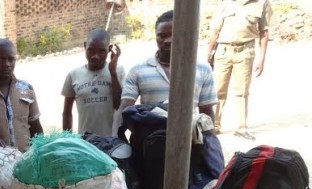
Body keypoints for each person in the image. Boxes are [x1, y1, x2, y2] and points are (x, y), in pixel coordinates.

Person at [113, 10, 218, 135]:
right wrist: (116, 140)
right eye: (162, 35)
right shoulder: (138, 70)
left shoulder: (202, 69)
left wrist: (209, 142)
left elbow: (206, 111)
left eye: (174, 35)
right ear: (156, 36)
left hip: (188, 142)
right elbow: (124, 107)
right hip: (148, 141)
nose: (168, 40)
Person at [207, 0, 273, 141]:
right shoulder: (225, 3)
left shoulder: (261, 3)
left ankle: (241, 128)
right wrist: (208, 55)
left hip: (245, 52)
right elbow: (214, 32)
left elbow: (264, 33)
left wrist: (261, 60)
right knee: (218, 91)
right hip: (223, 51)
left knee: (242, 92)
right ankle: (214, 126)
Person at [61, 28, 124, 136]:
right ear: (85, 46)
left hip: (112, 141)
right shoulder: (73, 75)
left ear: (109, 50)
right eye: (91, 50)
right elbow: (67, 113)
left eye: (101, 51)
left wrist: (113, 73)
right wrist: (68, 139)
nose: (95, 56)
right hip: (86, 142)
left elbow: (119, 105)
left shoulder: (118, 71)